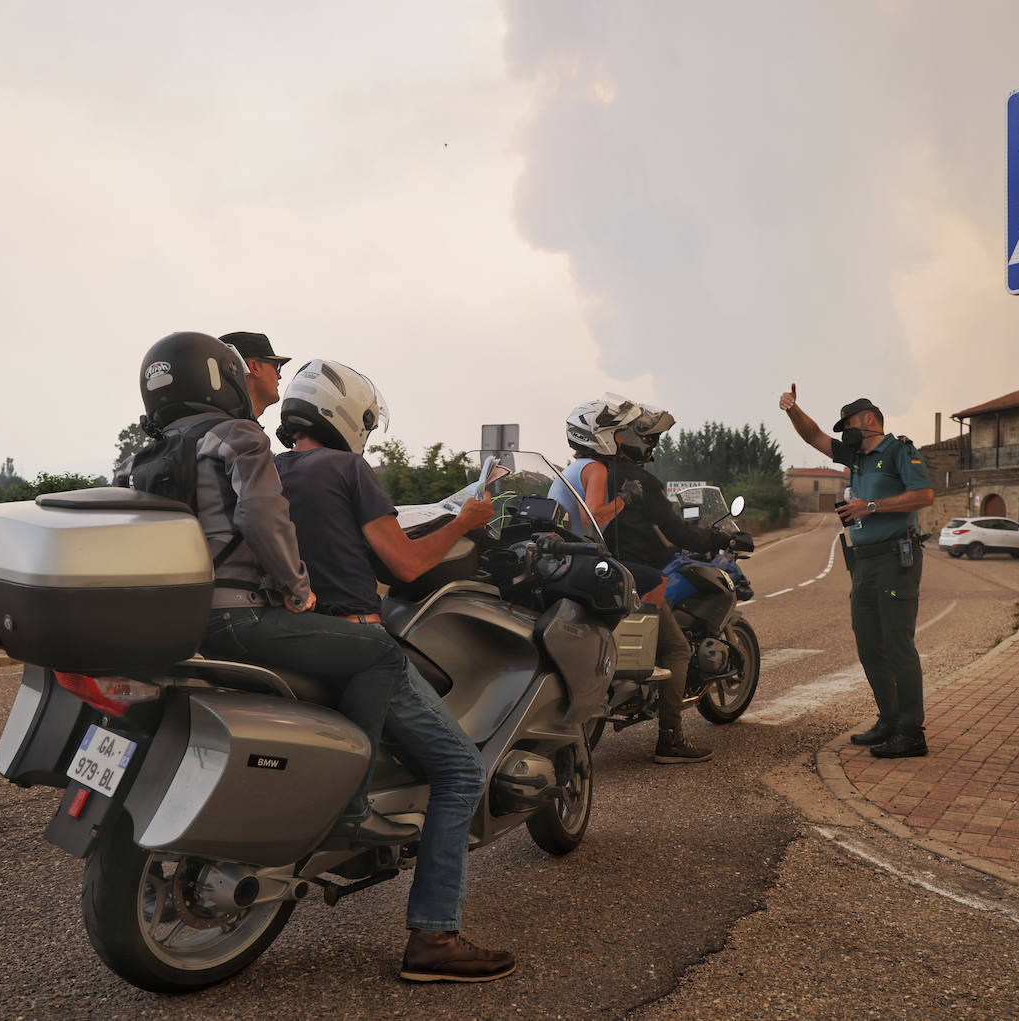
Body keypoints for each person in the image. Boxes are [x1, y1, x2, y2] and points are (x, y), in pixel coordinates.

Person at [118, 331, 417, 848]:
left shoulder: (140, 459)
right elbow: (262, 515)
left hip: (178, 618)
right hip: (239, 615)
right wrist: (297, 587)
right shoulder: (238, 435)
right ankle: (352, 808)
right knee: (380, 654)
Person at [273, 357, 514, 983]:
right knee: (462, 769)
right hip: (354, 636)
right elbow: (403, 566)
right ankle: (434, 936)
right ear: (347, 417)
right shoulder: (350, 468)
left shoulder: (267, 471)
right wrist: (464, 522)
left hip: (289, 637)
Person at [554, 396, 720, 765]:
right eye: (620, 431)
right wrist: (627, 500)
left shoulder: (570, 469)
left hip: (575, 566)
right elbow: (594, 520)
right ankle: (671, 738)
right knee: (677, 649)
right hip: (610, 570)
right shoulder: (608, 472)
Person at [778, 384, 934, 758]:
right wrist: (792, 410)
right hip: (863, 562)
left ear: (868, 420)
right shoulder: (857, 456)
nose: (843, 431)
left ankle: (911, 732)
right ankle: (890, 719)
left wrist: (872, 506)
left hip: (896, 560)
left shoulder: (899, 450)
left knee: (898, 646)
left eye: (847, 423)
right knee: (869, 645)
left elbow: (925, 495)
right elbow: (815, 436)